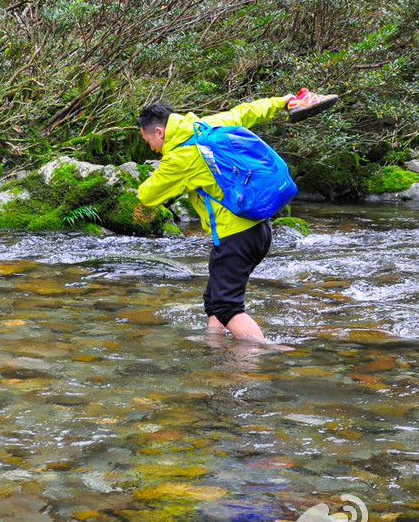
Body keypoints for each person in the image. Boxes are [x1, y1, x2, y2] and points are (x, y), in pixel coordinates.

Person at [136, 90, 333, 341]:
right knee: (214, 300)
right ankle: (215, 351)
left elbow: (147, 196)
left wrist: (159, 175)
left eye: (148, 141)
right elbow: (246, 112)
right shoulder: (207, 125)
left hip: (235, 237)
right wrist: (282, 102)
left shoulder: (179, 158)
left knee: (228, 307)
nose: (151, 148)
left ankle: (262, 355)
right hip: (259, 231)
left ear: (159, 132)